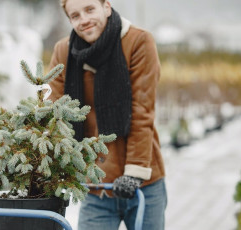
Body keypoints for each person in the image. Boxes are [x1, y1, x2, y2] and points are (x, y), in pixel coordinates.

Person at [48, 0, 167, 229]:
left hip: (144, 184)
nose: (84, 20)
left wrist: (134, 172)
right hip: (97, 186)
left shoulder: (138, 42)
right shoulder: (64, 51)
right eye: (75, 15)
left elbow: (142, 112)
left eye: (90, 9)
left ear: (107, 7)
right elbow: (53, 111)